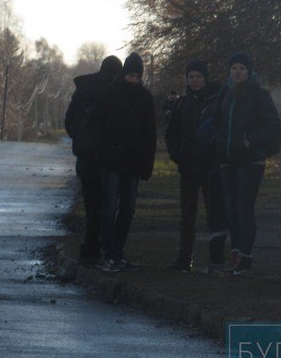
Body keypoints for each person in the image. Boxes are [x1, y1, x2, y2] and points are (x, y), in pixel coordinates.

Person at [213, 52, 281, 276]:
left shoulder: (259, 95)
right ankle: (235, 253)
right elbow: (216, 121)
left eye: (241, 68)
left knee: (244, 208)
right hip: (227, 158)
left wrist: (251, 139)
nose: (237, 72)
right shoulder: (225, 93)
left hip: (250, 160)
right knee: (231, 209)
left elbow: (272, 126)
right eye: (234, 68)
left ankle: (245, 258)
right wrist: (217, 141)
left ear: (249, 71)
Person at [91, 52, 157, 272]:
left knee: (127, 209)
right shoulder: (109, 93)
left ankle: (117, 252)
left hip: (133, 161)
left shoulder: (144, 97)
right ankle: (110, 253)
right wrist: (103, 152)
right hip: (113, 160)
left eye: (136, 76)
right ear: (124, 73)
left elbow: (150, 133)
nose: (133, 79)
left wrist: (147, 163)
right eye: (130, 75)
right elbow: (97, 125)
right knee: (110, 207)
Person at [164, 60, 226, 272]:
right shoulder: (182, 103)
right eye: (191, 77)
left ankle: (215, 259)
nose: (195, 80)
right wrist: (177, 155)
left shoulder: (216, 102)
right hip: (188, 166)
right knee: (187, 215)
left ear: (205, 78)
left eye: (198, 77)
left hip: (210, 167)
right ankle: (184, 259)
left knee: (214, 214)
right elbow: (171, 133)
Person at [64, 54, 124, 265]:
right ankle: (108, 247)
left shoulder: (84, 88)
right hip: (110, 158)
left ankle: (90, 247)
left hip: (86, 156)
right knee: (110, 204)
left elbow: (69, 122)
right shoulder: (117, 90)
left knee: (92, 205)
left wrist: (81, 141)